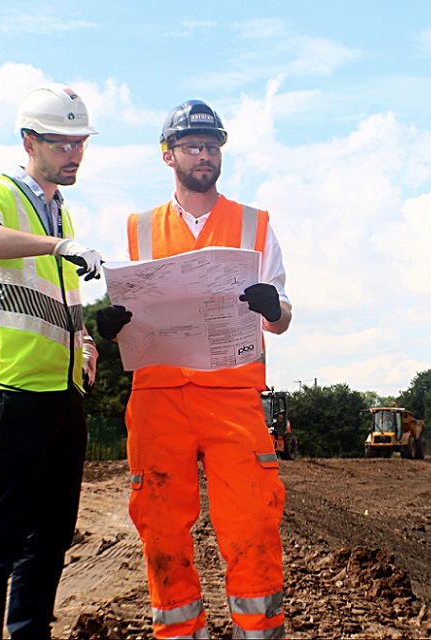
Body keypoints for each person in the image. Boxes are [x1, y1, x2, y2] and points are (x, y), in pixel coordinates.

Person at [96, 99, 292, 639]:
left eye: (212, 146)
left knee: (252, 522)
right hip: (158, 397)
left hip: (232, 396)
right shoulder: (137, 229)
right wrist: (112, 325)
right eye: (191, 146)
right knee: (160, 527)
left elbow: (283, 318)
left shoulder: (255, 225)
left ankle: (259, 632)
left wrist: (272, 308)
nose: (204, 155)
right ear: (169, 155)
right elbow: (129, 307)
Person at [0, 83, 103, 639]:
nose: (74, 154)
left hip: (62, 394)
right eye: (62, 143)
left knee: (51, 536)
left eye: (80, 143)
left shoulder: (62, 214)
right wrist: (56, 246)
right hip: (11, 391)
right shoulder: (0, 193)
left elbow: (58, 299)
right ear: (29, 141)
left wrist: (84, 342)